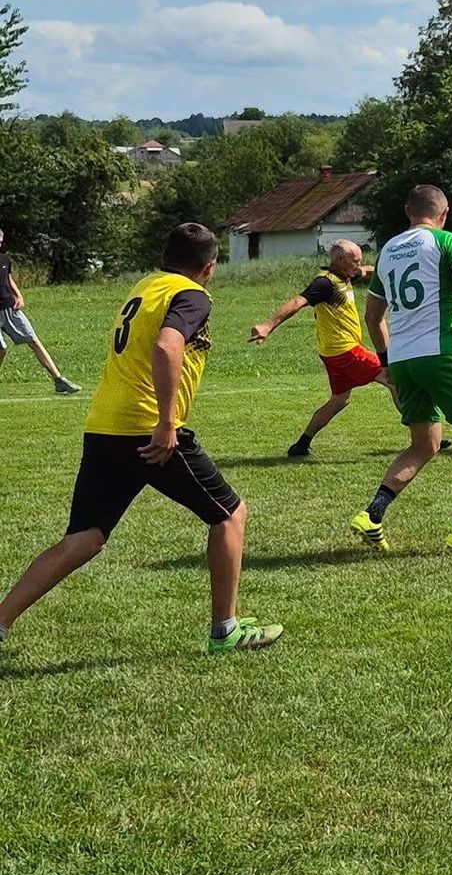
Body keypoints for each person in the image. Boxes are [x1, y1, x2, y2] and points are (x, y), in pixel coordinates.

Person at [0, 224, 282, 656]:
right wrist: (167, 424)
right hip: (146, 429)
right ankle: (225, 630)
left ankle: (1, 621)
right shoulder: (192, 295)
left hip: (105, 424)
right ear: (209, 268)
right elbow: (168, 347)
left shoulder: (146, 285)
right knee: (230, 515)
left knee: (86, 537)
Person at [352, 186, 452, 555]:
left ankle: (372, 515)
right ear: (445, 212)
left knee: (425, 444)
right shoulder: (448, 242)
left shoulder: (388, 250)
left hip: (403, 359)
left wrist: (386, 360)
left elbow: (372, 316)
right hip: (440, 352)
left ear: (408, 211)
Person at [249, 240, 395, 456]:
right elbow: (298, 301)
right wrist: (268, 325)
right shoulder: (325, 284)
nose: (358, 266)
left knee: (339, 400)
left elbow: (365, 272)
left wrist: (388, 270)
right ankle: (424, 437)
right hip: (346, 351)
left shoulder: (345, 276)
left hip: (332, 353)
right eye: (354, 261)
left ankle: (301, 444)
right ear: (339, 260)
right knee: (395, 378)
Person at [0, 225, 83, 394]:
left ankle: (59, 380)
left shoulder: (5, 259)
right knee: (1, 348)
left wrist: (19, 295)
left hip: (10, 308)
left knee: (34, 340)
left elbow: (8, 280)